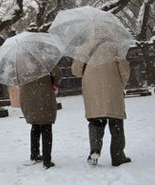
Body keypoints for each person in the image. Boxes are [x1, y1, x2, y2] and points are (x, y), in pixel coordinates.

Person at [72, 33, 131, 167]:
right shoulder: (114, 47)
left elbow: (76, 71)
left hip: (92, 91)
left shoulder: (84, 48)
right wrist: (120, 85)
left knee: (95, 122)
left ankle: (94, 151)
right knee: (116, 123)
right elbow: (124, 70)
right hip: (112, 89)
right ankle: (118, 156)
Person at [19, 65, 62, 169]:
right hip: (44, 95)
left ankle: (34, 155)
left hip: (28, 95)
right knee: (46, 126)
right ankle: (47, 160)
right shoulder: (45, 60)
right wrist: (53, 83)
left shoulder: (22, 62)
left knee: (35, 125)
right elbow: (58, 74)